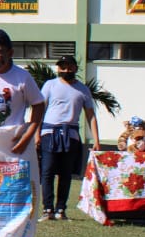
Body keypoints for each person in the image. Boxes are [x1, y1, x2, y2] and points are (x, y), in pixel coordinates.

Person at [38, 55, 100, 221]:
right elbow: (39, 111)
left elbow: (90, 116)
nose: (66, 70)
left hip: (71, 134)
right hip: (49, 133)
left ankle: (61, 209)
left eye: (69, 67)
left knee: (66, 173)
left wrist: (96, 140)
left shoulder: (83, 89)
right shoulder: (50, 85)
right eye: (62, 67)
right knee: (47, 171)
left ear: (75, 68)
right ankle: (48, 209)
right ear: (58, 68)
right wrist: (36, 134)